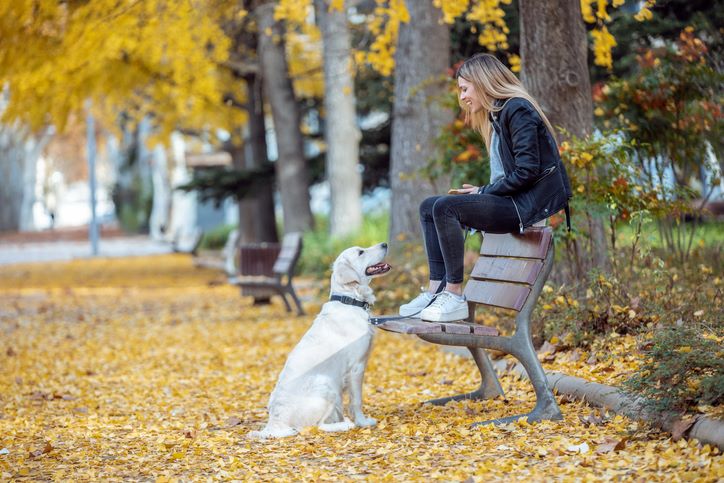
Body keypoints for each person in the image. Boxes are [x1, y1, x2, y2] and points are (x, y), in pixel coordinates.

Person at [399, 53, 572, 322]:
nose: (462, 97)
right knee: (428, 206)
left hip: (525, 207)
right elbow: (514, 173)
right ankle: (436, 289)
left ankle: (454, 294)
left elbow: (528, 171)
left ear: (483, 82)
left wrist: (483, 192)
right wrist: (483, 190)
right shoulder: (500, 115)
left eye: (464, 88)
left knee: (445, 207)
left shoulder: (517, 109)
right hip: (514, 202)